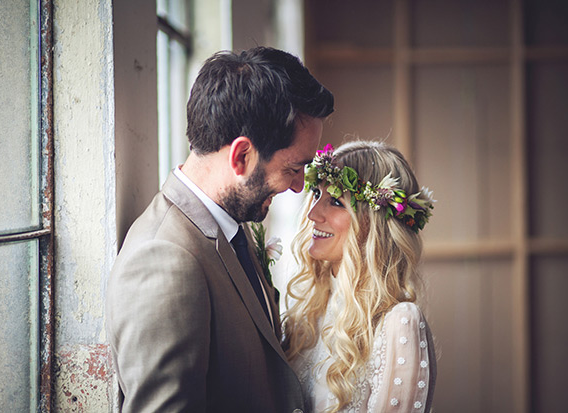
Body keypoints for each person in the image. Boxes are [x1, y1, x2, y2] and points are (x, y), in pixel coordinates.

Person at [106, 46, 334, 412]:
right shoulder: (163, 260)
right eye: (293, 168)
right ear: (241, 156)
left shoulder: (229, 223)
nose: (298, 185)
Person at [283, 141, 437, 412]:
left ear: (373, 223)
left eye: (335, 202)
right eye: (316, 195)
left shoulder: (399, 323)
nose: (312, 213)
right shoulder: (307, 317)